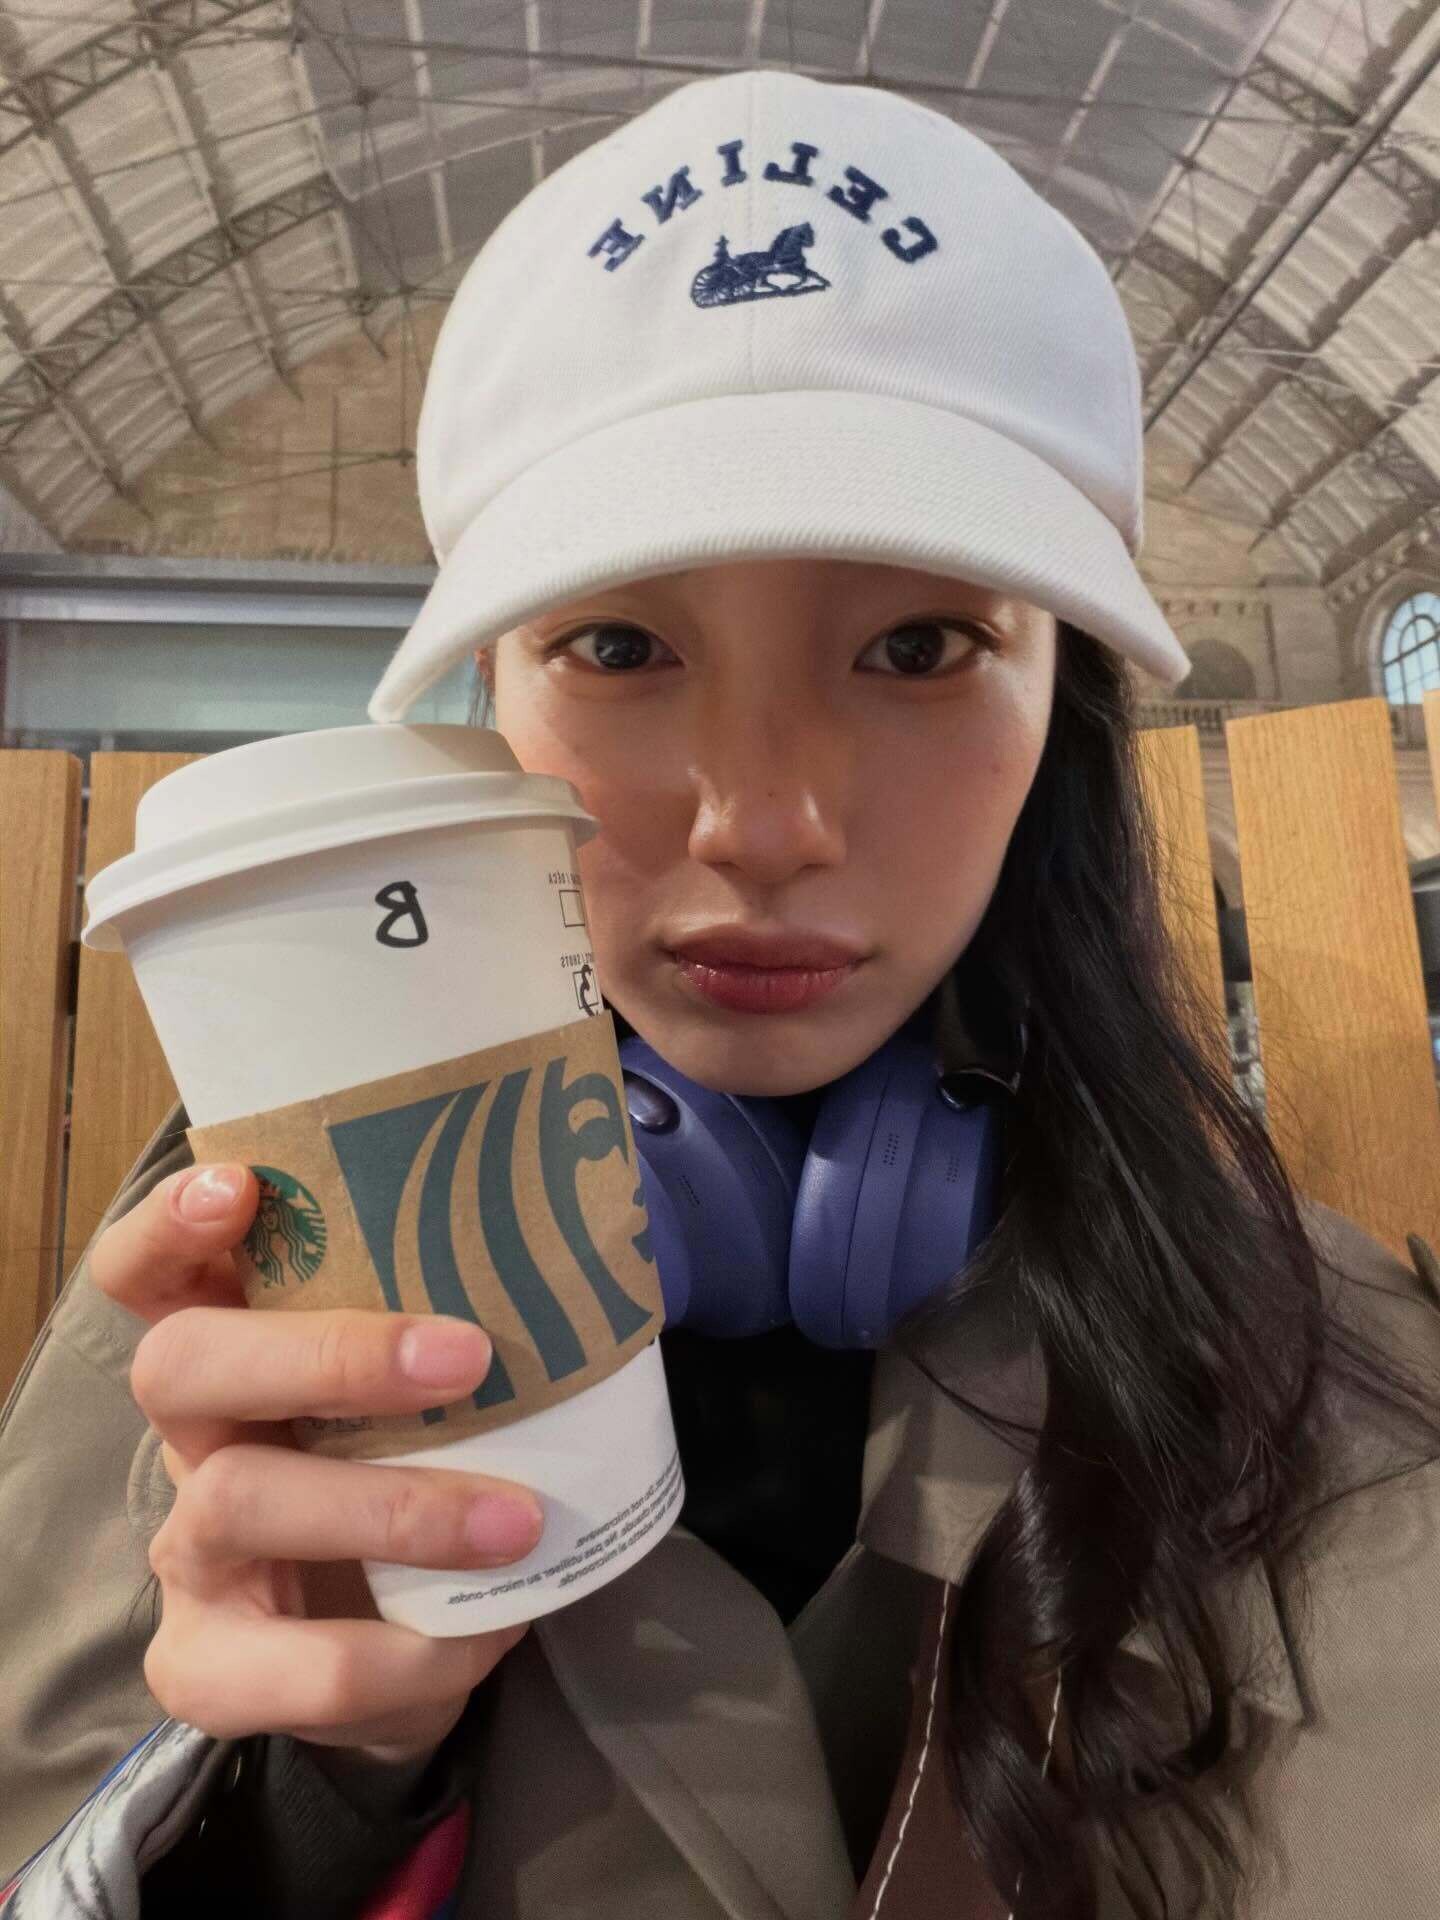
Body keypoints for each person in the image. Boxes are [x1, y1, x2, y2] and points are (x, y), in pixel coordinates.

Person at [4, 63, 1440, 1920]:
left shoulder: (1341, 1394)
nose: (764, 822)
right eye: (620, 643)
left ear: (1061, 714)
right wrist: (293, 1797)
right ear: (490, 705)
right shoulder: (226, 1315)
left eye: (921, 645)